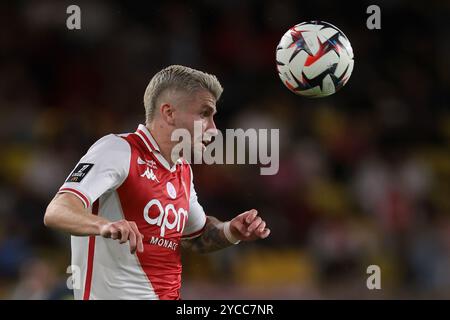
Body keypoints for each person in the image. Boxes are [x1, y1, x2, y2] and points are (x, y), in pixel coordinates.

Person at [43, 65, 270, 300]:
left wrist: (231, 231)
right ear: (169, 113)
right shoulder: (118, 150)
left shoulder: (182, 170)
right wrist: (103, 225)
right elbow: (57, 210)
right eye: (204, 114)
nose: (213, 129)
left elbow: (196, 238)